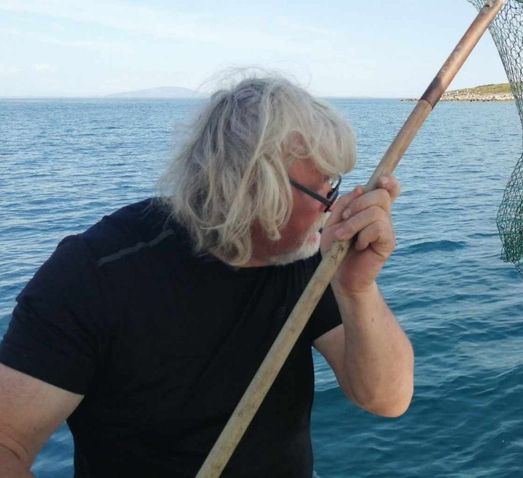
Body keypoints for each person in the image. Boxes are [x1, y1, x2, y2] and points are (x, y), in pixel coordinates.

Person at [0, 74, 414, 477]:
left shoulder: (307, 256)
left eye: (334, 185)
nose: (332, 205)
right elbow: (7, 444)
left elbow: (386, 399)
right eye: (323, 187)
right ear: (253, 188)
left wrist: (355, 287)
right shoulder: (97, 272)